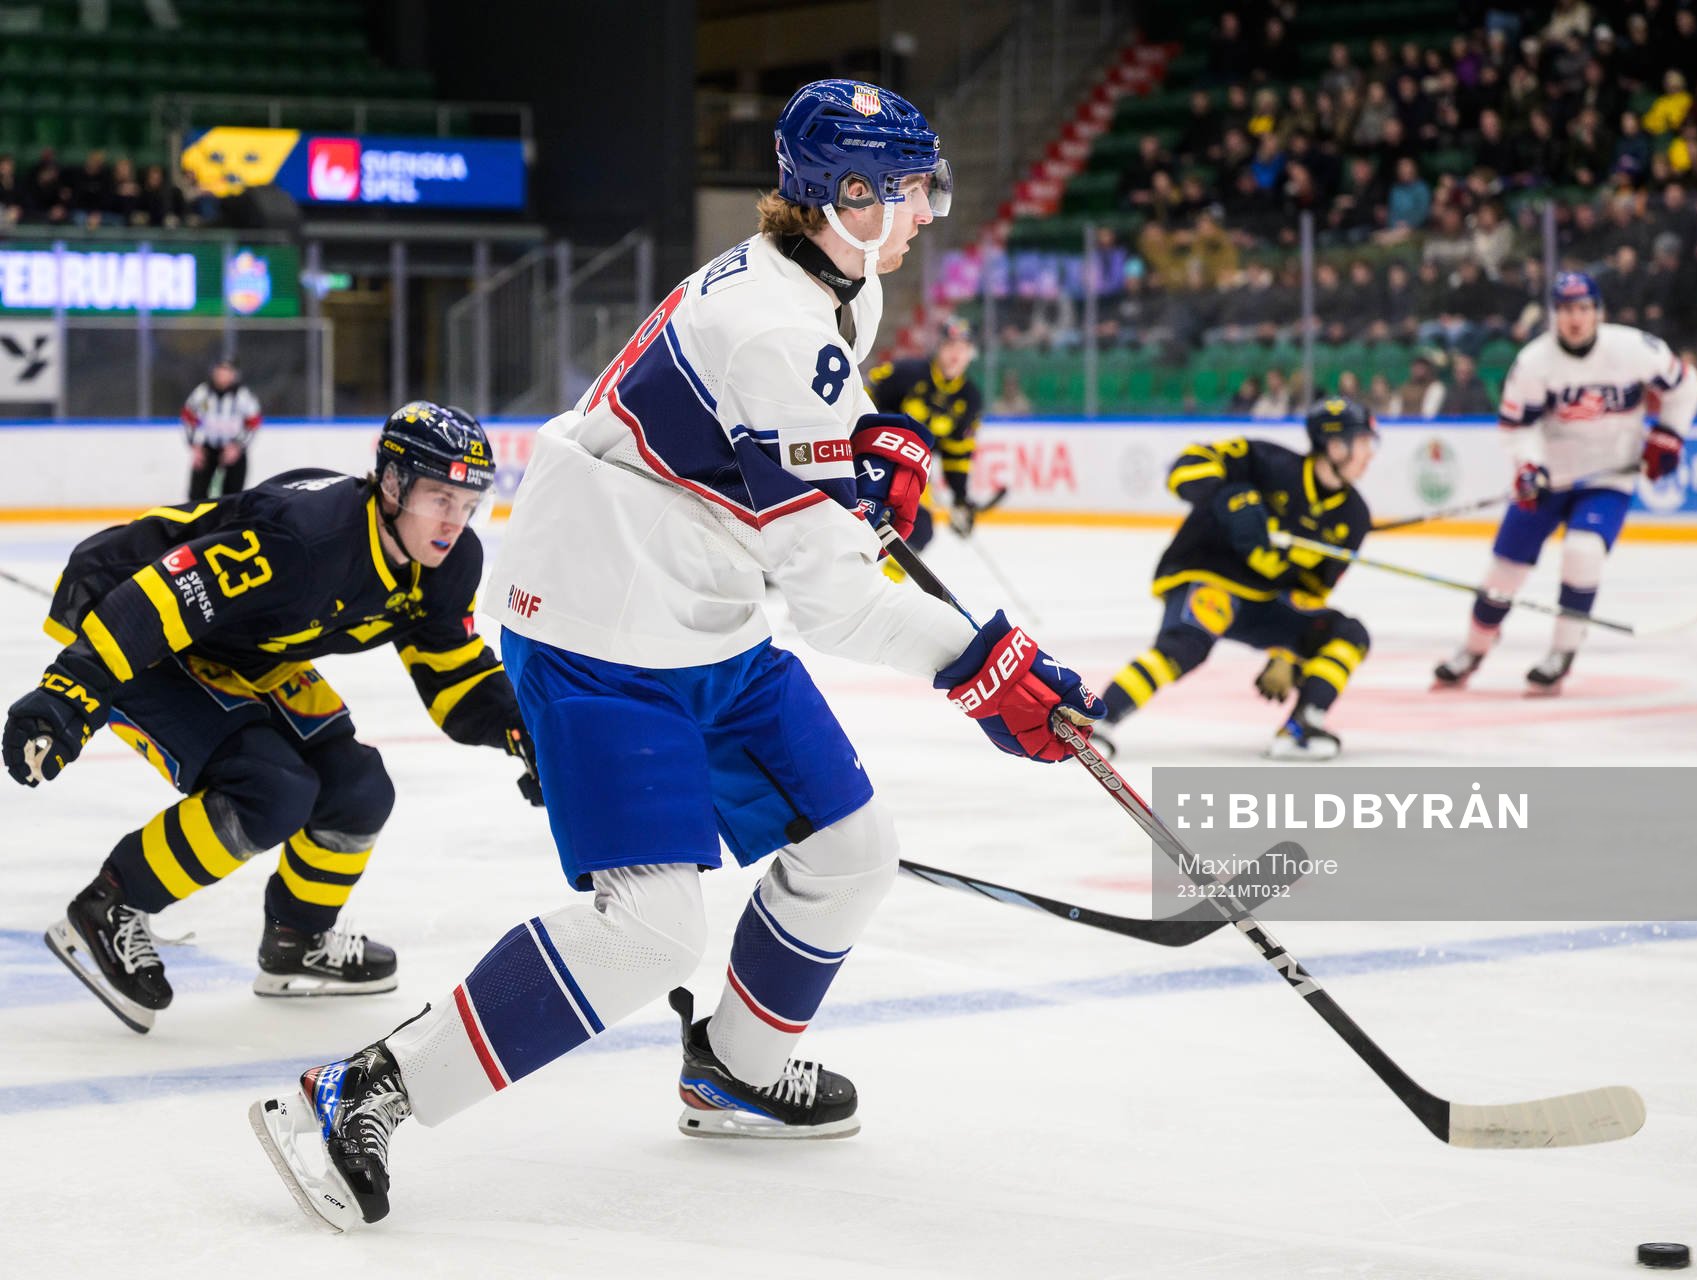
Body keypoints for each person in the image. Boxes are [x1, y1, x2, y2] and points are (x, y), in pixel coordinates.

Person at [246, 79, 1103, 1232]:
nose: (929, 211)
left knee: (856, 847)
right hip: (603, 624)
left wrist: (856, 451)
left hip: (703, 604)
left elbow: (777, 441)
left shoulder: (830, 283)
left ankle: (736, 1065)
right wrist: (982, 663)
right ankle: (359, 1089)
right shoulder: (774, 325)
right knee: (649, 929)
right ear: (845, 199)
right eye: (910, 191)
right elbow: (836, 599)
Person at [2, 403, 542, 1034]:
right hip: (136, 622)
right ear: (392, 485)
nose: (455, 521)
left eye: (469, 502)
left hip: (242, 646)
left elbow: (452, 674)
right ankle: (108, 908)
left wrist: (528, 733)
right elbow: (157, 602)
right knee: (270, 788)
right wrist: (66, 696)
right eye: (439, 497)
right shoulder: (306, 539)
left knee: (358, 788)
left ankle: (296, 940)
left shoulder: (446, 564)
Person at [1433, 272, 1697, 694]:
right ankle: (1474, 647)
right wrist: (1528, 465)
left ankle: (1562, 651)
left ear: (1598, 312)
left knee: (1584, 552)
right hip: (1549, 480)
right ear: (1554, 316)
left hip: (1608, 478)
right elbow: (1516, 427)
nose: (1575, 319)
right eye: (1566, 311)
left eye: (1583, 309)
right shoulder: (1534, 363)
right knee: (1504, 572)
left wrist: (1669, 434)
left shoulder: (1634, 349)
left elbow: (1685, 387)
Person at [1091, 398, 1377, 762]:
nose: (1370, 455)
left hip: (1264, 603)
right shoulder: (1266, 462)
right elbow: (1184, 470)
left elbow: (1311, 591)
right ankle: (1095, 721)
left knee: (1347, 634)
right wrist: (1228, 496)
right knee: (1186, 645)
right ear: (1336, 445)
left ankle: (1301, 727)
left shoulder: (1353, 516)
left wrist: (1285, 654)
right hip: (1209, 575)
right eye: (1365, 443)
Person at [866, 315, 986, 550]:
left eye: (963, 348)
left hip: (911, 473)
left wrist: (960, 499)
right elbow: (862, 399)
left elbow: (957, 453)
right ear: (940, 347)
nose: (956, 354)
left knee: (919, 531)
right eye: (950, 346)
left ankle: (886, 584)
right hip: (868, 462)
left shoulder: (970, 398)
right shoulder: (905, 374)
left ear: (971, 353)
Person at [182, 359, 263, 501]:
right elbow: (188, 417)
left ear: (233, 375)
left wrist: (238, 447)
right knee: (196, 495)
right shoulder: (202, 392)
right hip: (207, 448)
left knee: (232, 497)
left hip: (233, 450)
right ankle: (199, 523)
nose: (222, 377)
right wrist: (194, 446)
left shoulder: (243, 396)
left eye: (226, 373)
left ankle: (227, 523)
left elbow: (254, 422)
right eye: (219, 373)